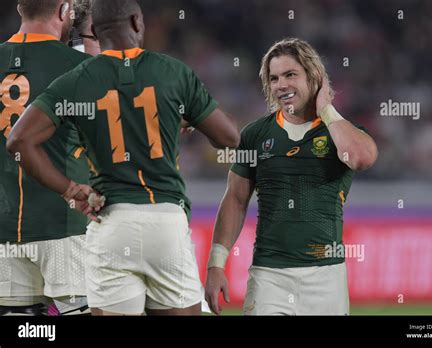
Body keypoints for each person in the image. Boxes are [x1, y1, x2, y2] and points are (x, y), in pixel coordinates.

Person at [7, 0, 240, 316]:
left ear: (94, 31)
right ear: (136, 21)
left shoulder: (78, 80)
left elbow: (19, 140)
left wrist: (71, 190)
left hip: (108, 221)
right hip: (163, 220)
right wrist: (183, 120)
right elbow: (229, 138)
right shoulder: (173, 71)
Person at [205, 38, 378, 315]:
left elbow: (361, 157)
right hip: (268, 277)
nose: (281, 85)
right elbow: (236, 200)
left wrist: (327, 110)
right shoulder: (255, 134)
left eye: (290, 75)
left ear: (314, 77)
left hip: (327, 279)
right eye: (274, 78)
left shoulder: (339, 131)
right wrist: (216, 264)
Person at [0, 0, 93, 316]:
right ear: (66, 9)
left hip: (5, 229)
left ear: (19, 8)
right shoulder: (80, 67)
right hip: (65, 226)